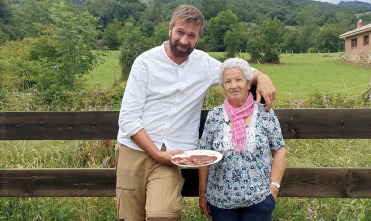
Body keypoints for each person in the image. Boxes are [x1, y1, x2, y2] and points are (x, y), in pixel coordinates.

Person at [116, 5, 277, 221]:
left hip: (175, 155)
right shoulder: (145, 63)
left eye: (191, 35)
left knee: (163, 215)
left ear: (198, 38)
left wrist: (262, 76)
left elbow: (236, 72)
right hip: (134, 149)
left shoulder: (204, 64)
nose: (184, 40)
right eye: (180, 32)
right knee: (129, 217)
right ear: (170, 28)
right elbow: (127, 118)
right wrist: (155, 153)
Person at [198, 58, 286, 221]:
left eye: (239, 80)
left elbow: (279, 150)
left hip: (259, 200)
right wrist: (202, 193)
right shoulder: (215, 115)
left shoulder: (265, 113)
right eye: (228, 81)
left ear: (248, 83)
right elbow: (204, 154)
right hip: (221, 202)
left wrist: (274, 188)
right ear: (223, 87)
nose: (233, 85)